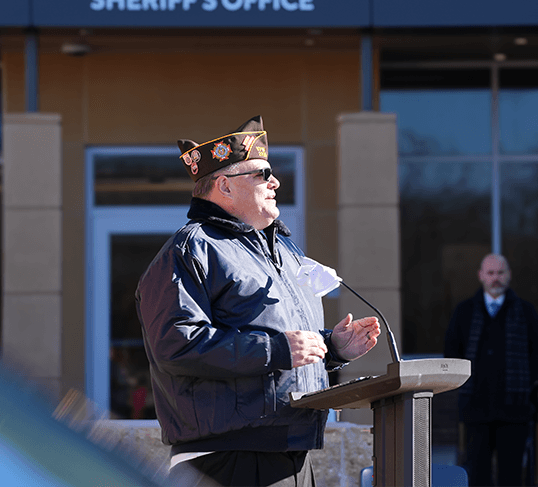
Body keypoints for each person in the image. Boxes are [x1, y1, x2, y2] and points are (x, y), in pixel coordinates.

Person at [135, 115, 381, 487]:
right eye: (262, 174)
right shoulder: (192, 250)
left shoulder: (284, 252)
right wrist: (277, 349)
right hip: (227, 457)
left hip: (291, 451)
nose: (275, 182)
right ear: (225, 186)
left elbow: (275, 343)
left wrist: (330, 348)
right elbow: (177, 345)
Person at [443, 254, 538, 487]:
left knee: (511, 475)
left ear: (508, 275)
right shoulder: (465, 311)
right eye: (490, 273)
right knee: (477, 474)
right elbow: (451, 352)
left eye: (500, 273)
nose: (495, 278)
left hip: (514, 408)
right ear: (481, 276)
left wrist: (525, 381)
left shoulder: (525, 311)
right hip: (475, 408)